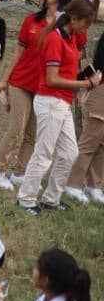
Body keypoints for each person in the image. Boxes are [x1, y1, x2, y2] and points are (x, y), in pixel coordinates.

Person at [17, 0, 102, 215]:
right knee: (44, 153)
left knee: (69, 153)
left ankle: (51, 199)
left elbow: (66, 72)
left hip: (62, 102)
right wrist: (85, 84)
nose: (85, 29)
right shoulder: (55, 39)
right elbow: (52, 79)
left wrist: (83, 76)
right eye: (84, 24)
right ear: (74, 19)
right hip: (50, 100)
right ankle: (26, 199)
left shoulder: (71, 38)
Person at [0, 0, 73, 191]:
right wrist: (5, 80)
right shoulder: (31, 21)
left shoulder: (67, 25)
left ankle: (20, 172)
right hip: (21, 82)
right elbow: (18, 53)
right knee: (16, 129)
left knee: (33, 134)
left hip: (46, 88)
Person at [64, 33, 104, 203]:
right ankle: (73, 184)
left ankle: (94, 185)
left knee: (102, 145)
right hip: (101, 91)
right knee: (89, 142)